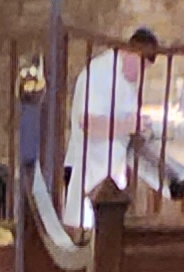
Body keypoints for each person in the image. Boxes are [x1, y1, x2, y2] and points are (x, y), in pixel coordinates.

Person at [67, 25, 156, 198]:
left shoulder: (127, 81)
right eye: (142, 67)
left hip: (110, 176)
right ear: (133, 53)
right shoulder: (101, 72)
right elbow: (88, 123)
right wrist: (127, 125)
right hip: (88, 176)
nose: (141, 74)